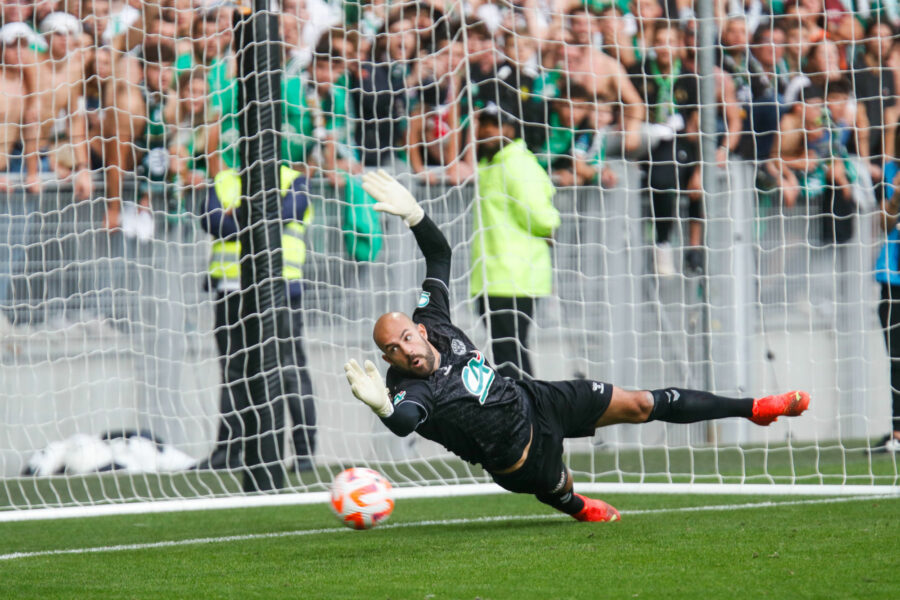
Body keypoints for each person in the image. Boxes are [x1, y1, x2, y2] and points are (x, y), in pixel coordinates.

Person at [343, 170, 812, 521]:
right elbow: (404, 422)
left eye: (406, 337)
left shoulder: (433, 322)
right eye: (394, 350)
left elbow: (439, 255)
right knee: (561, 490)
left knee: (643, 403)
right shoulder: (406, 389)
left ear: (420, 330)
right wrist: (382, 406)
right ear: (387, 358)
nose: (406, 350)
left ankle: (754, 408)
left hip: (537, 400)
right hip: (519, 459)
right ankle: (575, 504)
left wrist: (416, 216)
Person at [197, 164, 318, 472]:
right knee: (233, 369)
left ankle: (304, 453)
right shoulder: (222, 180)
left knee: (289, 366)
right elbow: (213, 221)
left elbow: (281, 217)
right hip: (231, 288)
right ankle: (228, 451)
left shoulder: (293, 181)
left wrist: (237, 214)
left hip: (280, 290)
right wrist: (258, 216)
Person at [471, 105, 559, 380]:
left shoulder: (517, 164)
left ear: (510, 129)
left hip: (514, 277)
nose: (487, 131)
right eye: (484, 124)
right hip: (494, 277)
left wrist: (549, 227)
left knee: (512, 358)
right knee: (507, 356)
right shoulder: (491, 164)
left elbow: (541, 216)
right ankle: (524, 405)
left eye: (495, 125)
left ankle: (529, 407)